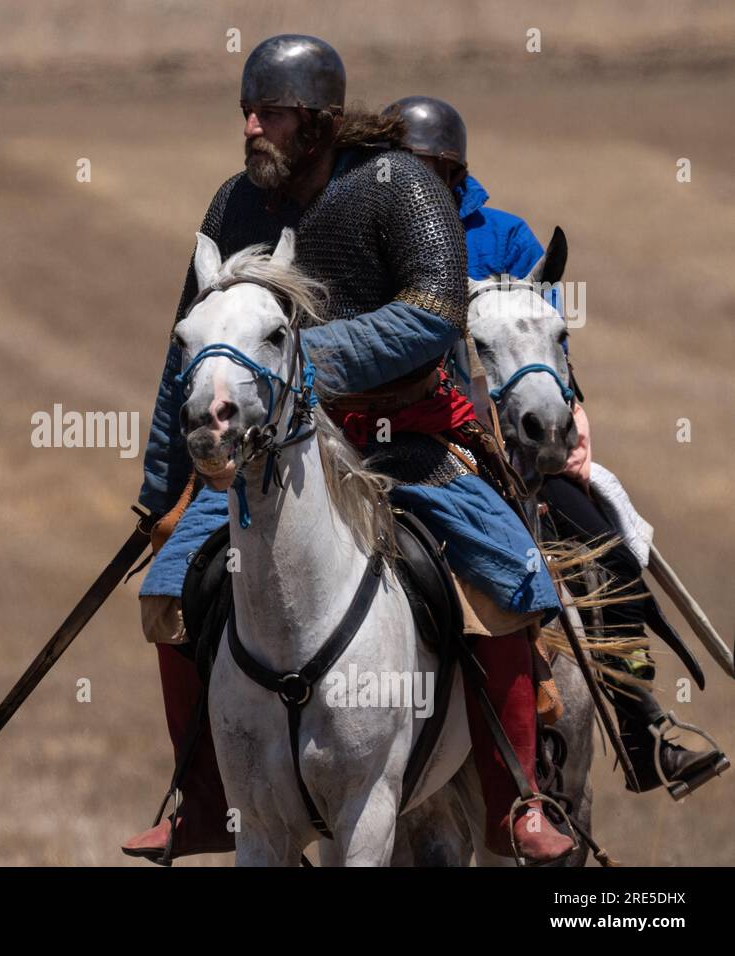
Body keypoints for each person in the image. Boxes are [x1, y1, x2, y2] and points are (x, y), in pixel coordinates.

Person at [122, 35, 574, 864]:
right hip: (277, 451)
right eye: (246, 112)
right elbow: (186, 351)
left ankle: (517, 802)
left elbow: (432, 313)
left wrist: (301, 362)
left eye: (270, 113)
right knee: (167, 588)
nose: (250, 127)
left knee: (509, 572)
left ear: (321, 121)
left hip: (404, 440)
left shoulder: (398, 187)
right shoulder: (235, 205)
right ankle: (206, 801)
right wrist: (161, 489)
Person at [389, 95, 725, 795]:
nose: (415, 185)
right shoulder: (374, 240)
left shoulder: (506, 237)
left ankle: (641, 727)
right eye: (403, 170)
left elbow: (546, 346)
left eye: (428, 170)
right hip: (406, 445)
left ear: (453, 173)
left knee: (613, 553)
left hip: (514, 449)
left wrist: (574, 413)